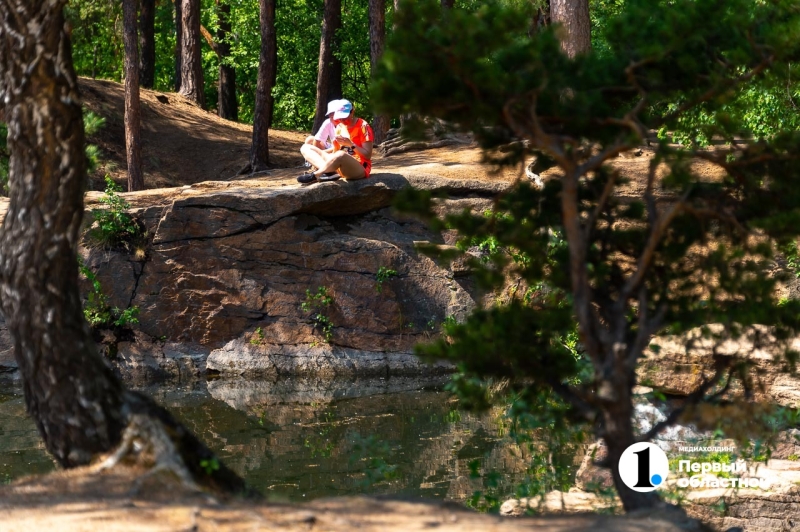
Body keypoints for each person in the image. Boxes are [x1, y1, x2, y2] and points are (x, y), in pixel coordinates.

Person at [297, 100, 374, 183]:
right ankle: (330, 172)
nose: (342, 121)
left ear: (352, 112)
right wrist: (321, 154)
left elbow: (367, 155)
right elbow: (336, 151)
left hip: (359, 167)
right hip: (340, 165)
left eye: (345, 118)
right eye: (340, 118)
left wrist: (351, 144)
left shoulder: (363, 126)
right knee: (306, 148)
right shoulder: (340, 127)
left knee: (341, 154)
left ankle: (315, 175)